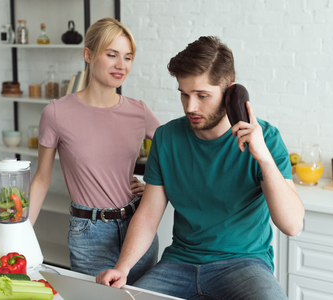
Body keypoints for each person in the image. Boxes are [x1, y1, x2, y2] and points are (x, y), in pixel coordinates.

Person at [96, 36, 304, 299]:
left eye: (202, 95)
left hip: (243, 265)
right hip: (179, 263)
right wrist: (123, 267)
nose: (190, 106)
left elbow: (293, 225)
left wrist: (262, 157)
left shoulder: (267, 139)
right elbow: (148, 215)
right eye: (184, 94)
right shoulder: (167, 138)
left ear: (230, 92)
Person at [29, 18, 161, 283]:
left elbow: (178, 155)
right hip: (88, 233)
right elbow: (42, 178)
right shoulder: (56, 112)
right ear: (88, 55)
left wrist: (153, 188)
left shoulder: (139, 111)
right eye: (111, 55)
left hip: (136, 228)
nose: (121, 65)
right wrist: (18, 235)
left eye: (128, 57)